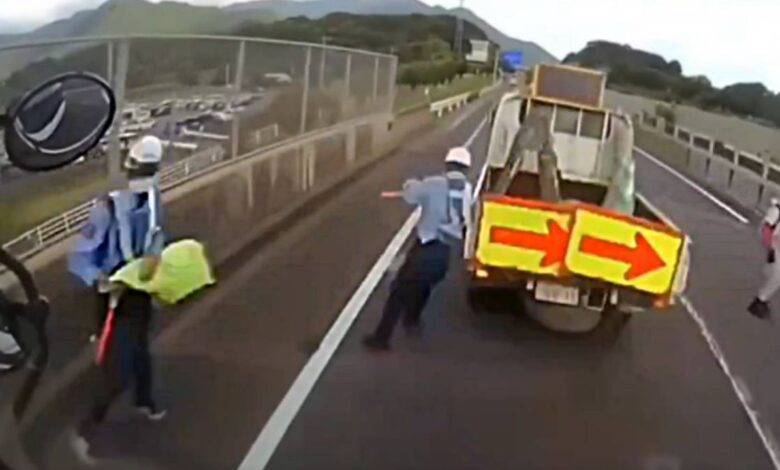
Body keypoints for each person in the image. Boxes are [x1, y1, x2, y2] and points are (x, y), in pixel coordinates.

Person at [68, 135, 166, 460]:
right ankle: (86, 430)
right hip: (114, 297)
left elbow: (157, 235)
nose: (144, 177)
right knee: (117, 368)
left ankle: (144, 401)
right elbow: (80, 256)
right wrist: (100, 279)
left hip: (139, 292)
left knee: (141, 352)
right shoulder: (107, 207)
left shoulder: (153, 200)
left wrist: (154, 257)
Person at [363, 147, 473, 352]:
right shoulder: (468, 190)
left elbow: (411, 195)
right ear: (466, 169)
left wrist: (410, 184)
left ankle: (381, 339)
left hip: (427, 246)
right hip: (446, 252)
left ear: (447, 164)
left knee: (399, 292)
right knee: (425, 285)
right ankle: (412, 321)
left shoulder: (434, 183)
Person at [749, 198, 780, 318]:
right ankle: (759, 302)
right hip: (773, 245)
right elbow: (766, 229)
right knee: (776, 275)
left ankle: (762, 300)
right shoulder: (776, 211)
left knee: (774, 276)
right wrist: (770, 248)